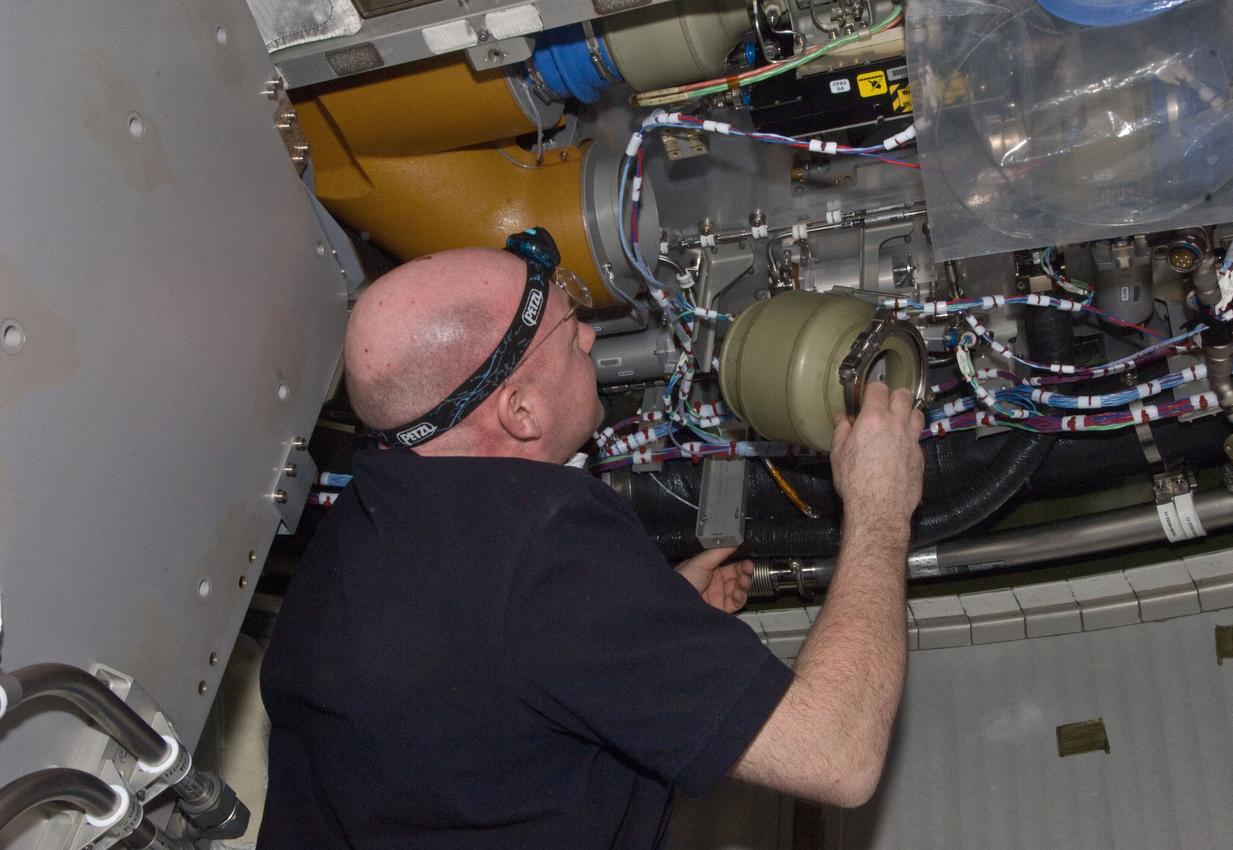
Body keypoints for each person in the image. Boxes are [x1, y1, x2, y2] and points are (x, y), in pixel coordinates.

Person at [258, 228, 925, 849]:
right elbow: (837, 754)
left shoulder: (346, 539)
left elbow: (492, 663)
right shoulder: (544, 546)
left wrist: (646, 612)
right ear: (520, 412)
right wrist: (879, 506)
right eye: (565, 329)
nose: (587, 338)